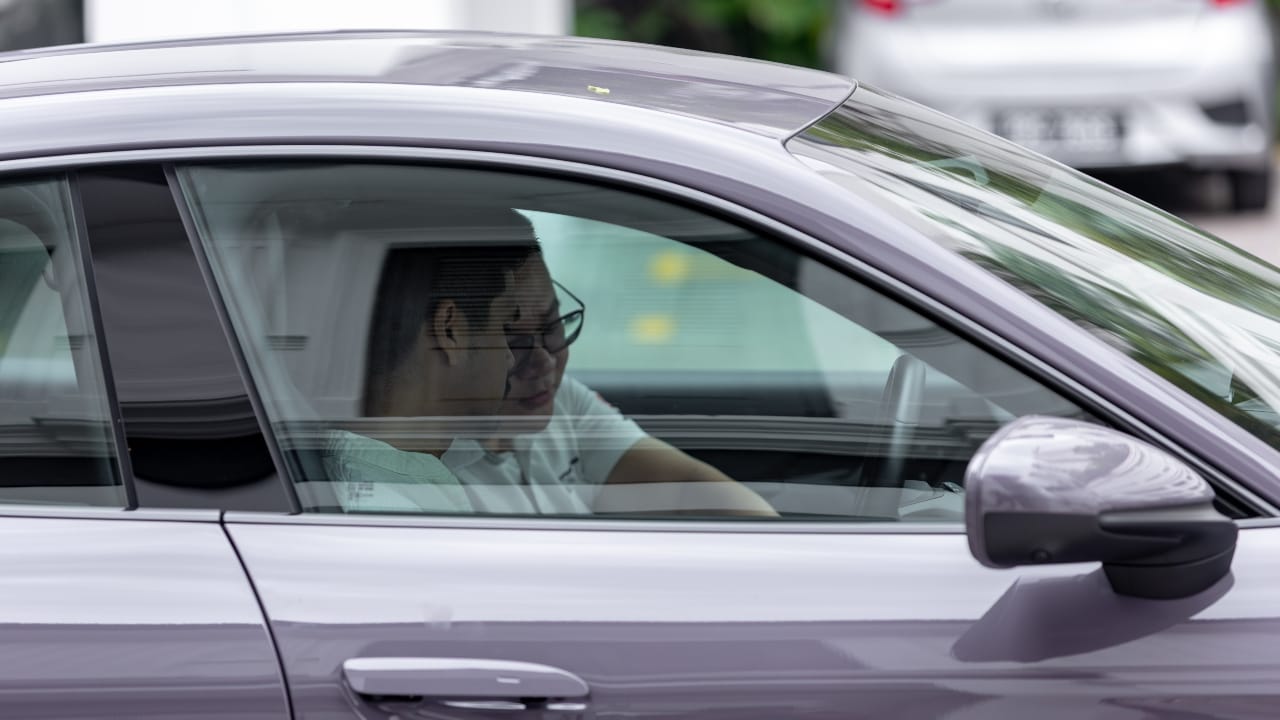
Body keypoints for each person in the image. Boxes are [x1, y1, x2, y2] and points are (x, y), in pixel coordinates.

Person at [448, 246, 777, 517]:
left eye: (552, 326)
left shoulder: (562, 402)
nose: (545, 361)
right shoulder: (426, 466)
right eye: (512, 342)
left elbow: (684, 489)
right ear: (452, 338)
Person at [323, 206, 539, 513]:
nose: (509, 357)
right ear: (449, 330)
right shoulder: (397, 517)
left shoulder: (352, 482)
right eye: (503, 327)